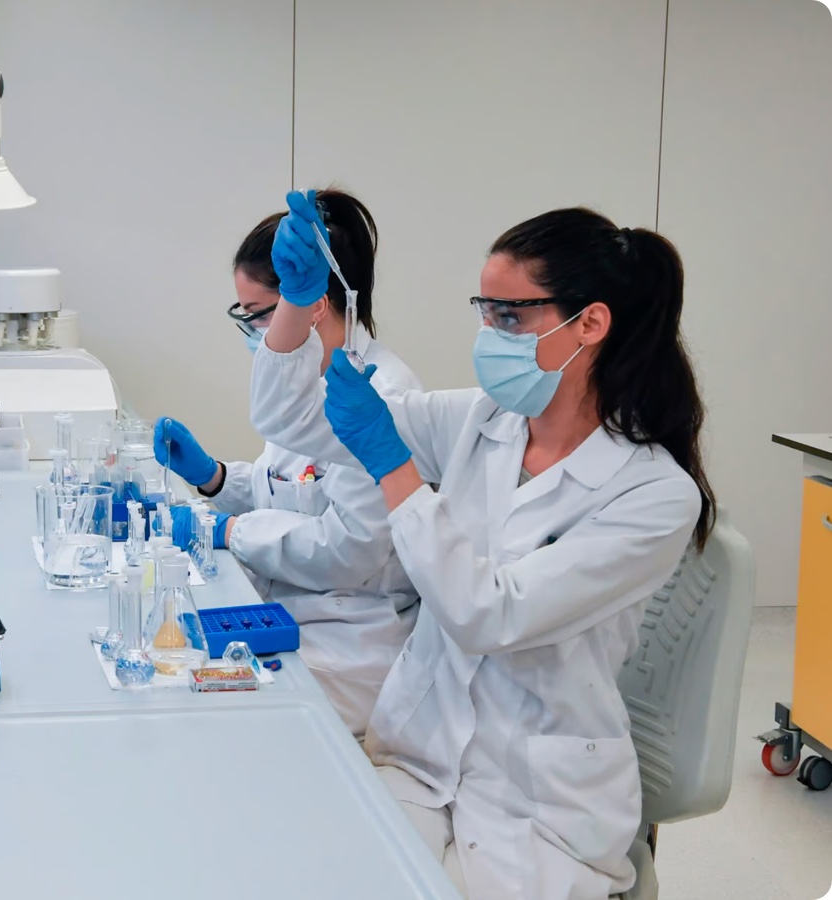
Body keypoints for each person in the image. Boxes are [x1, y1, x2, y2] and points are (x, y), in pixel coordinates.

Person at [250, 195, 715, 899]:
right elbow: (289, 417)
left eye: (509, 315)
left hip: (537, 800)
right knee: (315, 868)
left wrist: (396, 470)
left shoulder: (653, 495)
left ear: (589, 323)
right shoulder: (480, 418)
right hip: (419, 756)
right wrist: (297, 302)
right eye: (484, 310)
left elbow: (488, 615)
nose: (488, 333)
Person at [154, 189, 422, 736]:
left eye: (256, 315)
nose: (253, 332)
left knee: (202, 717)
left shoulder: (384, 395)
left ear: (313, 302)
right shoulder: (310, 383)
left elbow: (348, 551)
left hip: (354, 645)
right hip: (294, 615)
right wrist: (215, 478)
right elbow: (292, 484)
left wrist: (230, 530)